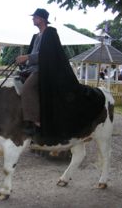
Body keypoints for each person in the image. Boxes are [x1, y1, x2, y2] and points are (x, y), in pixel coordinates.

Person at [16, 8, 105, 145]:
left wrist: (26, 57)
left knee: (27, 88)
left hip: (44, 71)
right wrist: (24, 61)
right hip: (32, 68)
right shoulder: (36, 36)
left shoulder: (50, 33)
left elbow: (47, 55)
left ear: (42, 19)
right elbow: (33, 54)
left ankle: (36, 122)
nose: (33, 19)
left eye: (35, 17)